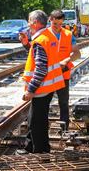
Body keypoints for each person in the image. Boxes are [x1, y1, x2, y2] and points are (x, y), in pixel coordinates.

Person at [20, 9, 81, 130]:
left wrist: (66, 61)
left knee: (63, 102)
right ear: (50, 20)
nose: (58, 27)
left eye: (60, 24)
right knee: (43, 105)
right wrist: (26, 44)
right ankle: (43, 128)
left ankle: (64, 128)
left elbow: (77, 53)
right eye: (55, 24)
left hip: (62, 75)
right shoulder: (44, 34)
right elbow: (35, 53)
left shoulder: (68, 34)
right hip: (47, 78)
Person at [22, 10, 65, 153]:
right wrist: (27, 44)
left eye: (29, 21)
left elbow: (40, 69)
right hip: (48, 87)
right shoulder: (48, 36)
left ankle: (40, 152)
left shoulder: (40, 41)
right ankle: (31, 147)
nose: (28, 24)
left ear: (35, 23)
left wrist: (30, 90)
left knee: (37, 122)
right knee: (35, 119)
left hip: (41, 89)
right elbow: (41, 58)